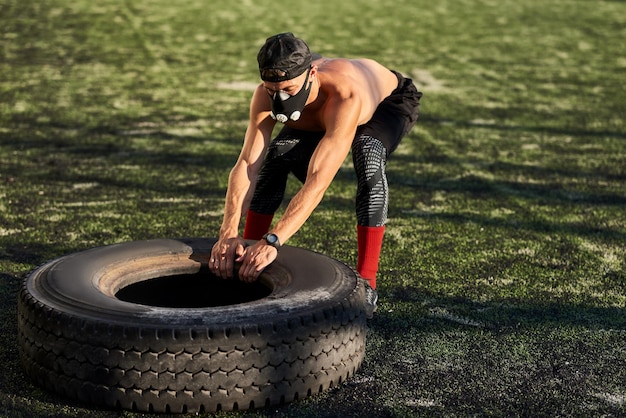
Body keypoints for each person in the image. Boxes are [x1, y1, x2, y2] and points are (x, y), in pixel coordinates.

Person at [209, 32, 422, 305]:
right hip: (317, 112)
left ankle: (368, 282)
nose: (280, 100)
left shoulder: (345, 95)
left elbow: (318, 180)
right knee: (276, 156)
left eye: (289, 91)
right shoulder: (266, 95)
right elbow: (248, 164)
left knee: (368, 155)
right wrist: (228, 234)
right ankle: (248, 254)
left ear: (311, 74)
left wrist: (273, 240)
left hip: (386, 103)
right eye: (273, 90)